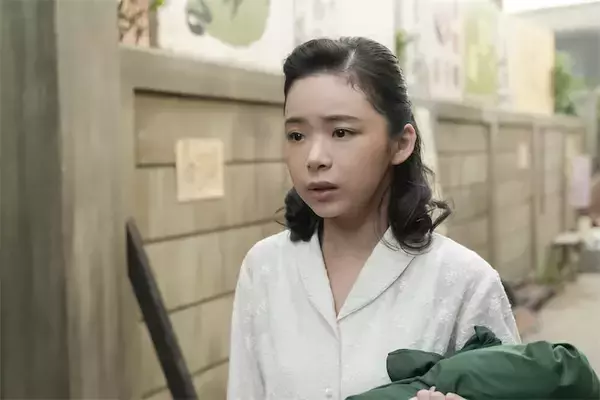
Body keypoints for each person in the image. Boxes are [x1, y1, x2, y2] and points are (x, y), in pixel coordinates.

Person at [227, 37, 520, 400]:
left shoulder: (465, 282)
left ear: (401, 143)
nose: (314, 158)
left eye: (341, 132)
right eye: (297, 135)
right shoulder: (264, 268)